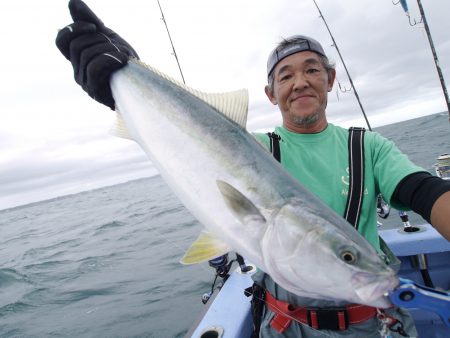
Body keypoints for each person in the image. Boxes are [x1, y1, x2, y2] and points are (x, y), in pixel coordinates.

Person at [56, 1, 450, 337]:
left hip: (370, 325)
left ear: (330, 80)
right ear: (270, 93)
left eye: (312, 70)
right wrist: (121, 85)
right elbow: (185, 140)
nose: (300, 82)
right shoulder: (256, 149)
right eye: (286, 75)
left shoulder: (368, 147)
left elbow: (427, 193)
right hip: (282, 323)